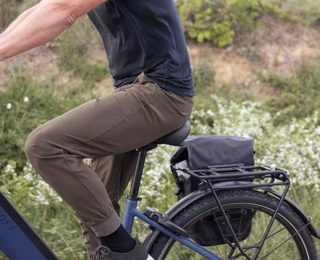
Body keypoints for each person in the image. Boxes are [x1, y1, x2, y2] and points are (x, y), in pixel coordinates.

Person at [0, 0, 194, 259]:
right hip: (134, 90)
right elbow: (41, 9)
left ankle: (127, 252)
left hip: (162, 92)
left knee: (44, 146)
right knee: (94, 204)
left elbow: (63, 11)